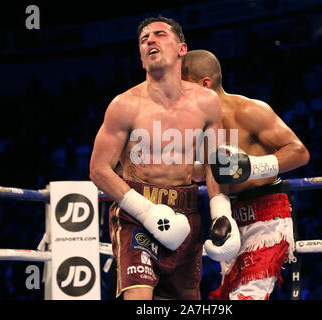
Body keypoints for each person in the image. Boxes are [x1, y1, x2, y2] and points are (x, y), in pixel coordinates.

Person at [89, 17, 240, 300]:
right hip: (136, 214)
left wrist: (221, 212)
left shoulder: (206, 102)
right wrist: (147, 211)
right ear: (141, 57)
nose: (150, 40)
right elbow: (98, 170)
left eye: (159, 34)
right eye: (144, 38)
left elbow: (214, 163)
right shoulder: (125, 105)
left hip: (187, 211)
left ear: (182, 49)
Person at [182, 49, 310, 300]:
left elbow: (299, 152)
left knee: (247, 296)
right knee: (229, 295)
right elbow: (210, 172)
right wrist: (198, 168)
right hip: (230, 218)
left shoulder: (249, 111)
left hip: (267, 214)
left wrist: (250, 166)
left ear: (204, 84)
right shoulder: (198, 126)